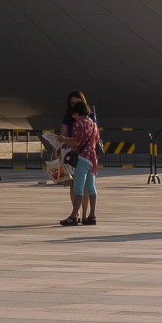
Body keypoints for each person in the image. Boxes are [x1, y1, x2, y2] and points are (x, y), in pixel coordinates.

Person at [58, 88, 101, 226]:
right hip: (92, 159)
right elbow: (96, 140)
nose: (73, 116)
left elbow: (76, 141)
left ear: (77, 113)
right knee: (91, 188)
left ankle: (73, 216)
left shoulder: (77, 124)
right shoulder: (93, 124)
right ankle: (91, 215)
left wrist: (63, 140)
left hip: (81, 159)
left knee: (77, 188)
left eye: (75, 114)